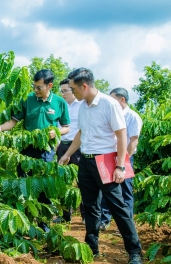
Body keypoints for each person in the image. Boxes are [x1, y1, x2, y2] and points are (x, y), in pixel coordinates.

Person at [58, 68, 143, 263]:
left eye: (73, 89)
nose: (71, 92)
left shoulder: (109, 104)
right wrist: (69, 154)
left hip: (105, 160)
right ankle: (91, 248)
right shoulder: (83, 107)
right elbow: (81, 134)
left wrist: (120, 167)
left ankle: (135, 252)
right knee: (90, 207)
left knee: (118, 207)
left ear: (84, 86)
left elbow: (122, 135)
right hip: (86, 162)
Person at [0, 69, 71, 232]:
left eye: (39, 87)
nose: (35, 90)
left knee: (43, 188)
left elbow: (67, 127)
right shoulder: (27, 99)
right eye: (34, 86)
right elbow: (13, 122)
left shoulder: (59, 103)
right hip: (26, 150)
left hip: (46, 151)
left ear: (49, 86)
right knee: (23, 185)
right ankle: (22, 224)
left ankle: (44, 225)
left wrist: (56, 132)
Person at [99, 88, 143, 233]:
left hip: (125, 158)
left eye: (113, 99)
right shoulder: (111, 114)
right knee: (107, 188)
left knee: (125, 192)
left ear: (122, 99)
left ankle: (126, 226)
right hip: (108, 155)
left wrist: (123, 162)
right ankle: (104, 220)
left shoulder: (132, 116)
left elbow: (133, 141)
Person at [53, 79, 83, 223]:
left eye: (66, 90)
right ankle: (65, 216)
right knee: (63, 182)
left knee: (82, 180)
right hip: (63, 145)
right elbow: (58, 126)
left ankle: (86, 215)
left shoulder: (82, 105)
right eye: (61, 91)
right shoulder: (60, 106)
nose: (63, 94)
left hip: (78, 147)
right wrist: (57, 143)